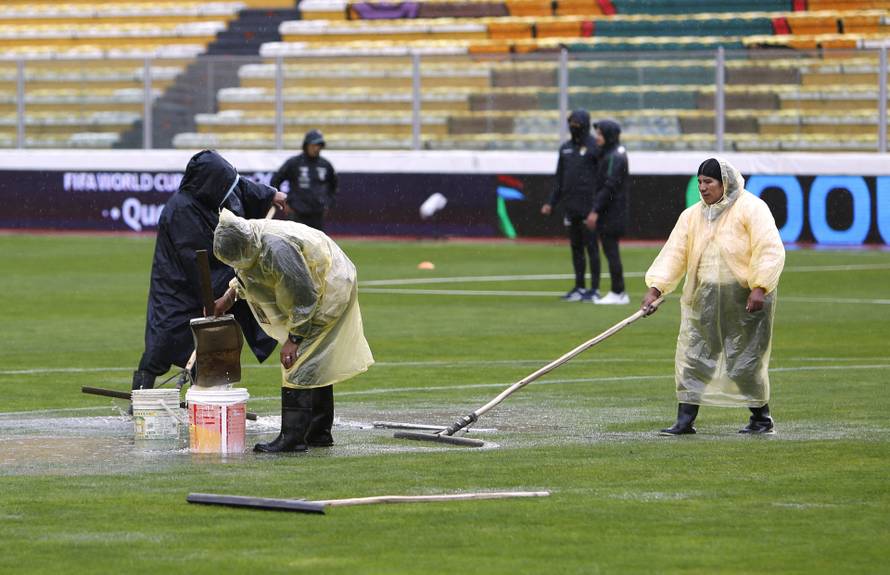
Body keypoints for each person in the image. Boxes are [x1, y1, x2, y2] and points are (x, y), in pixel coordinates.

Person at [640, 158, 785, 436]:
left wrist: (760, 287)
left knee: (745, 359)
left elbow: (769, 248)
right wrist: (656, 288)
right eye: (699, 182)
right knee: (694, 355)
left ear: (724, 183)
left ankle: (761, 418)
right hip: (703, 298)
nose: (703, 188)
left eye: (708, 182)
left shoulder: (752, 208)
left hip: (744, 298)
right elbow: (675, 253)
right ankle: (684, 420)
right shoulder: (692, 215)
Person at [212, 209, 374, 453]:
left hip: (330, 286)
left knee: (297, 360)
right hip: (320, 282)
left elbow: (304, 296)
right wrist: (228, 297)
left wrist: (295, 338)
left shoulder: (277, 249)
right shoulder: (247, 237)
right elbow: (248, 272)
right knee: (315, 363)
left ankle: (293, 437)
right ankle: (318, 432)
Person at [132, 150, 287, 393]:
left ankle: (207, 396)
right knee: (163, 342)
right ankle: (141, 394)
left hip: (203, 283)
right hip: (176, 286)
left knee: (208, 345)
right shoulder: (181, 211)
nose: (228, 189)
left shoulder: (210, 193)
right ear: (210, 182)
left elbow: (239, 185)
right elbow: (201, 258)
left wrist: (269, 194)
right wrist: (228, 286)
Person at [541, 109, 599, 302]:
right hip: (571, 206)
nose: (574, 126)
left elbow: (601, 178)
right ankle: (579, 287)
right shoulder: (565, 148)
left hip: (589, 206)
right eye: (571, 122)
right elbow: (559, 179)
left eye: (577, 123)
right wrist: (551, 202)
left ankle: (594, 288)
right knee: (576, 248)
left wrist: (598, 207)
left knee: (592, 248)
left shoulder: (594, 147)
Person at [585, 119, 629, 305]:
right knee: (610, 250)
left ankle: (618, 292)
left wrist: (595, 210)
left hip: (613, 212)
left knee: (611, 251)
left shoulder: (615, 156)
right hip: (612, 210)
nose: (597, 138)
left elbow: (609, 186)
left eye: (601, 134)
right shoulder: (611, 153)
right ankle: (617, 291)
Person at [270, 129, 338, 232]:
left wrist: (327, 203)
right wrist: (285, 203)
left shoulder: (325, 165)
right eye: (314, 145)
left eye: (319, 145)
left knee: (316, 245)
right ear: (306, 145)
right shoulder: (294, 163)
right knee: (294, 244)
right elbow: (275, 180)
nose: (317, 148)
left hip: (317, 214)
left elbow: (333, 186)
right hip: (296, 213)